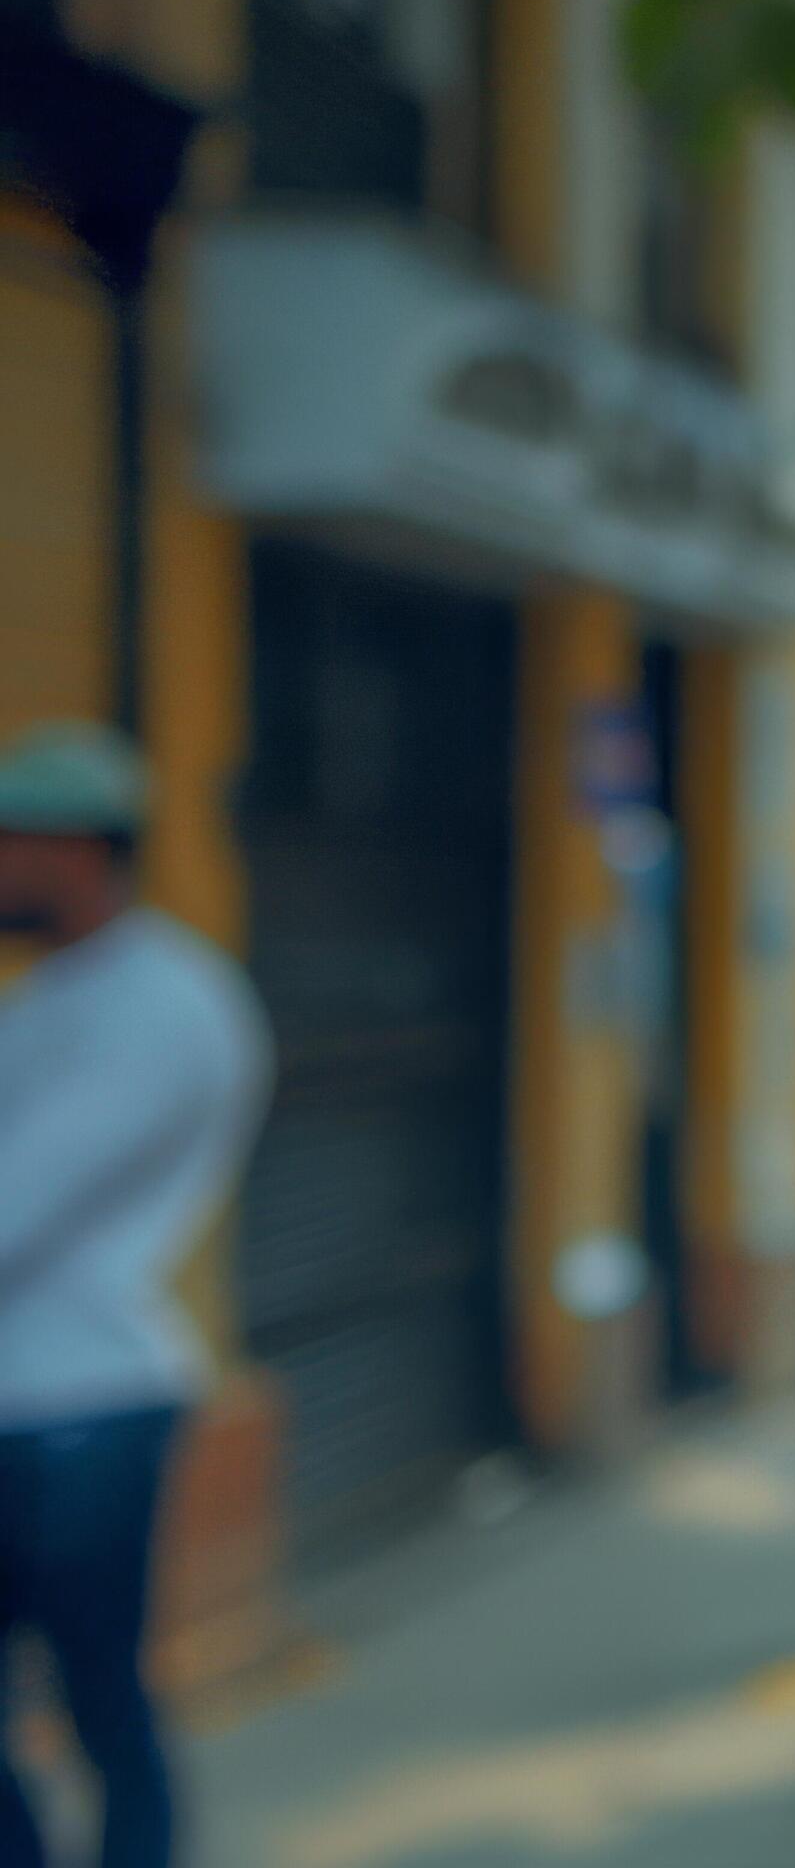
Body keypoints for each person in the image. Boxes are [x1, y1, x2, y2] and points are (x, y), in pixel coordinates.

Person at [0, 723, 272, 1868]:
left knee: (103, 1699)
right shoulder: (63, 992)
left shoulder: (164, 1001)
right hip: (40, 1403)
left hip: (80, 1405)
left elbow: (17, 1203)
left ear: (76, 849)